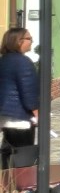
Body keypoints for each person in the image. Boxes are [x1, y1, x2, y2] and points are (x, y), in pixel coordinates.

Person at [0, 27, 39, 169]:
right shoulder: (23, 62)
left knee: (7, 155)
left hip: (6, 116)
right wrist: (37, 114)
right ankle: (19, 182)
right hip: (20, 118)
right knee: (23, 159)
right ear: (18, 41)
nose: (32, 41)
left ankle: (6, 181)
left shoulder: (4, 60)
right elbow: (28, 93)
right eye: (29, 39)